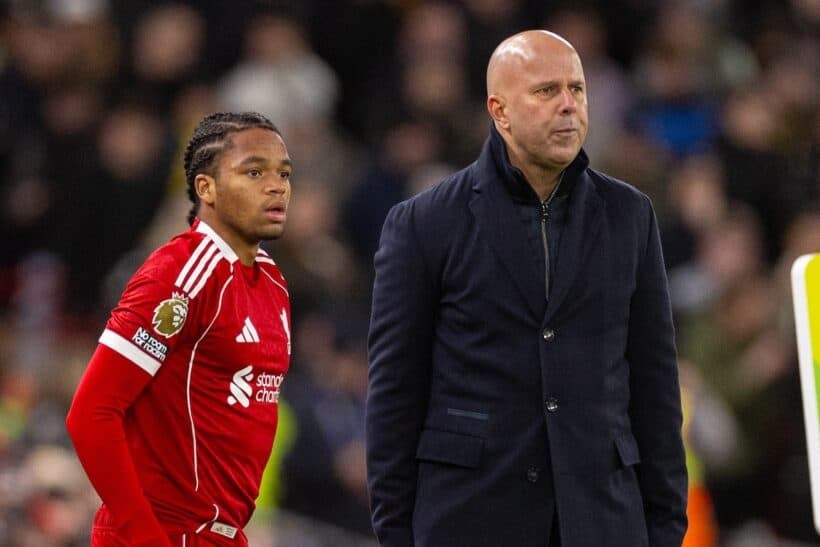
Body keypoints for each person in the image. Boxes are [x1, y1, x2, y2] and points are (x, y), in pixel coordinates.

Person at [366, 30, 688, 546]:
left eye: (576, 89)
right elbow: (394, 396)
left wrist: (666, 528)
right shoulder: (424, 223)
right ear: (500, 111)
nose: (568, 105)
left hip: (604, 521)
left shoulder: (631, 215)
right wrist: (395, 535)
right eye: (546, 91)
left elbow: (656, 386)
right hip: (470, 521)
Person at [66, 111, 293, 546]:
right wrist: (145, 537)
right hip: (164, 532)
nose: (276, 186)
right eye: (254, 172)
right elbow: (91, 412)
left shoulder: (273, 283)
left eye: (283, 173)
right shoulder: (181, 273)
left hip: (222, 534)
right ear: (206, 188)